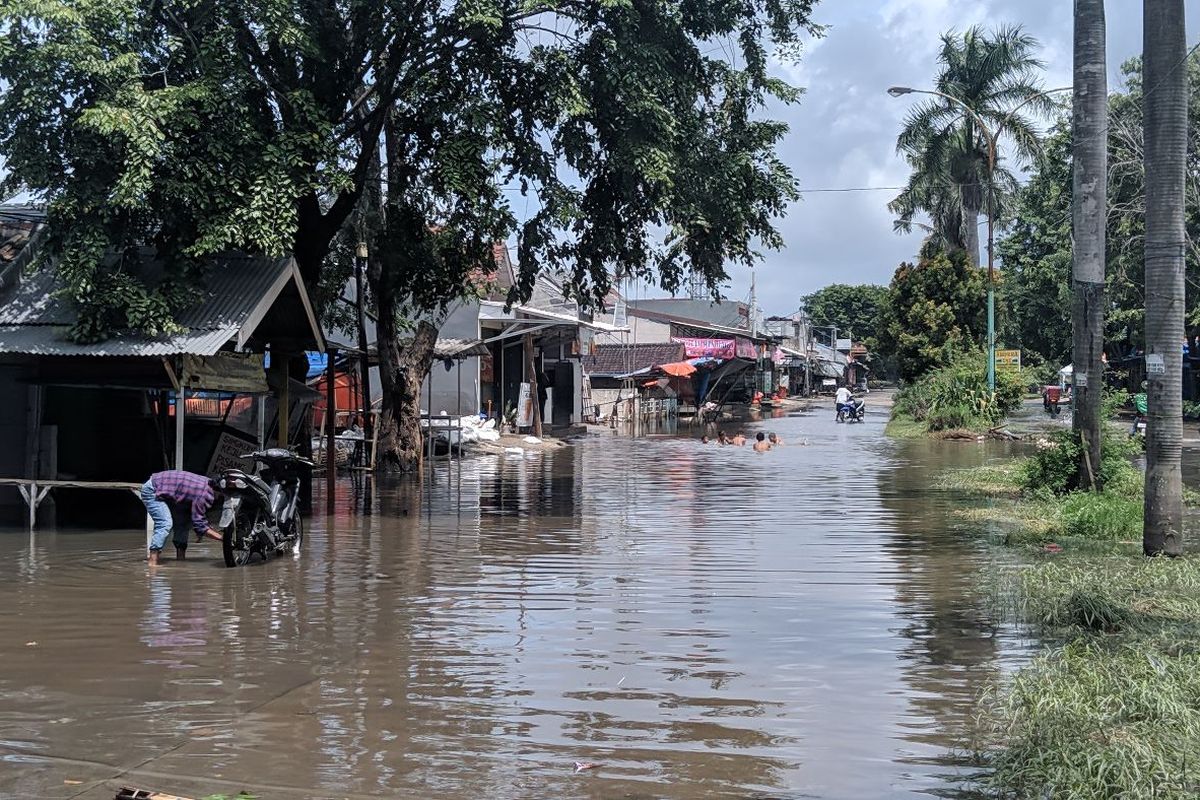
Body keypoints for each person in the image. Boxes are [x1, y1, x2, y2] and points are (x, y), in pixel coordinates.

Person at [140, 470, 223, 566]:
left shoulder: (210, 483)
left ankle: (180, 561)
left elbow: (197, 519)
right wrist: (222, 539)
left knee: (183, 523)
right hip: (153, 489)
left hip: (166, 488)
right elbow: (200, 526)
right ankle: (152, 563)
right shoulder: (205, 494)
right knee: (165, 523)